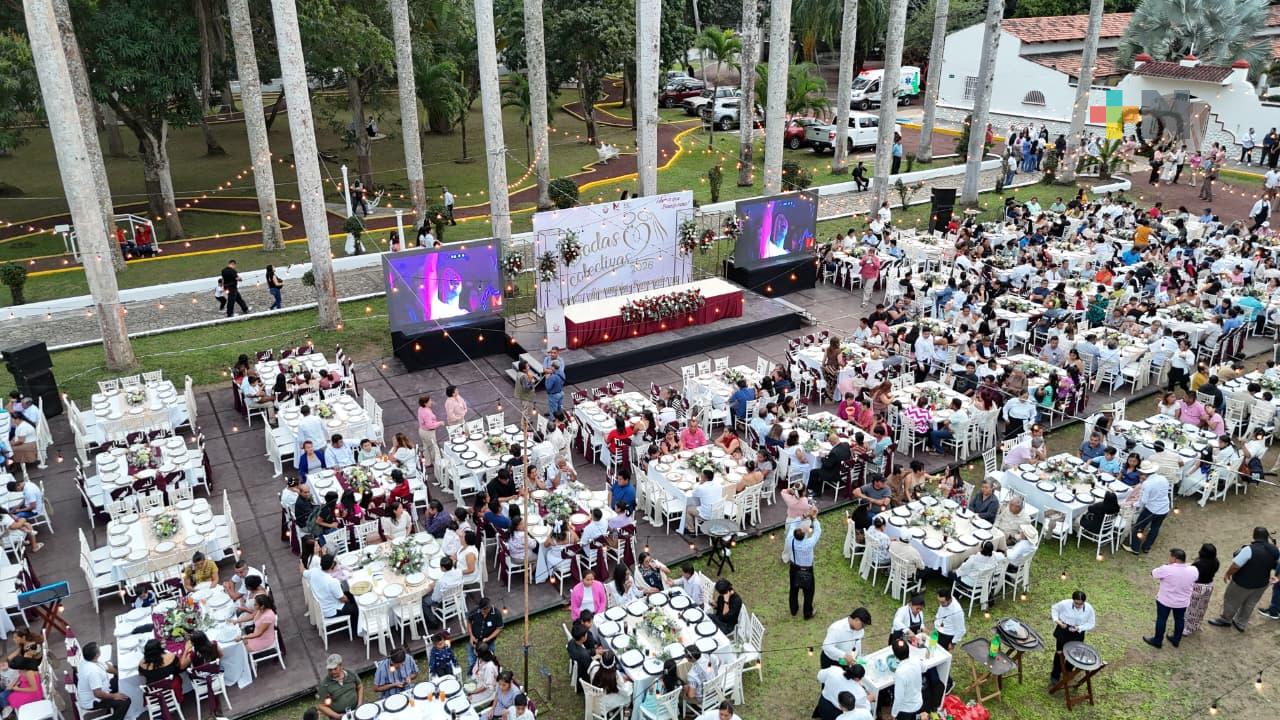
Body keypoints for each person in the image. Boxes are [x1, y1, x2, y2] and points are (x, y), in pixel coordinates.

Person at [1207, 526, 1279, 632]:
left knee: (1231, 600)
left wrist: (1228, 573)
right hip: (1262, 584)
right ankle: (1241, 623)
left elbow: (1236, 565)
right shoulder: (1275, 549)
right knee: (1250, 603)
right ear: (1266, 537)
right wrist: (1277, 577)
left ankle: (1226, 620)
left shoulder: (1249, 549)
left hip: (1242, 583)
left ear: (1254, 536)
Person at [1145, 548, 1199, 649]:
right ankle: (1176, 639)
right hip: (1182, 602)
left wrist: (1167, 566)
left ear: (1174, 558)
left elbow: (1153, 573)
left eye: (1170, 556)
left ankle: (1157, 641)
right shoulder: (1193, 570)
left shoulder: (1166, 569)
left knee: (1161, 619)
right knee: (1179, 620)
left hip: (1165, 601)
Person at [1049, 591, 1096, 686]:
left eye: (1080, 604)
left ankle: (1068, 669)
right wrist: (1057, 621)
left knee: (1075, 653)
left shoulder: (1089, 609)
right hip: (1063, 629)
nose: (1078, 605)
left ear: (1084, 602)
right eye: (1076, 603)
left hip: (1077, 632)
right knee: (1060, 653)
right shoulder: (1065, 603)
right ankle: (1055, 675)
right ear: (1073, 600)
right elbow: (1054, 608)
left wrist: (1079, 628)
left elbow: (1091, 623)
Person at [75, 642, 130, 720]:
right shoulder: (93, 672)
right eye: (98, 649)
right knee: (125, 701)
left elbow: (107, 667)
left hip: (102, 689)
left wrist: (121, 674)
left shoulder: (88, 660)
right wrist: (114, 696)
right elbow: (98, 694)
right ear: (97, 655)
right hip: (93, 701)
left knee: (118, 680)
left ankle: (112, 709)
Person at [786, 507, 822, 619]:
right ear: (803, 536)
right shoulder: (809, 543)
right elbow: (818, 531)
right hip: (807, 569)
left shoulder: (790, 539)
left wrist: (804, 516)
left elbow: (793, 524)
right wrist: (814, 518)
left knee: (793, 590)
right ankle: (807, 613)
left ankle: (793, 610)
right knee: (808, 593)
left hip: (794, 568)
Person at [1128, 462, 1170, 555]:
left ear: (1144, 474)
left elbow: (1143, 501)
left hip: (1151, 509)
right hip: (1164, 508)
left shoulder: (1147, 483)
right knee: (1155, 528)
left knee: (1139, 527)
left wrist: (1134, 504)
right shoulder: (1163, 478)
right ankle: (1146, 547)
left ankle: (1135, 548)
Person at [889, 640, 924, 720]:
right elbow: (924, 667)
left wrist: (893, 714)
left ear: (895, 656)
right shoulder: (915, 659)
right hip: (918, 703)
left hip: (906, 710)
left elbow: (898, 698)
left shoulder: (900, 673)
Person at [467, 597, 504, 671]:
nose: (482, 612)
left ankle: (489, 673)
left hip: (488, 643)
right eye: (481, 609)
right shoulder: (475, 611)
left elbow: (499, 628)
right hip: (475, 640)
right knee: (472, 660)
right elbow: (469, 622)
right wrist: (471, 636)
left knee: (489, 661)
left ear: (489, 608)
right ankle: (471, 673)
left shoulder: (496, 614)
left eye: (484, 610)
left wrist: (488, 638)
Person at [417, 395, 443, 470]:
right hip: (428, 433)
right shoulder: (427, 412)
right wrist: (439, 423)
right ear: (425, 403)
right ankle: (436, 462)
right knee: (433, 448)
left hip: (422, 431)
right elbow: (430, 425)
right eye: (429, 401)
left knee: (426, 447)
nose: (431, 402)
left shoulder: (420, 409)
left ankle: (427, 462)